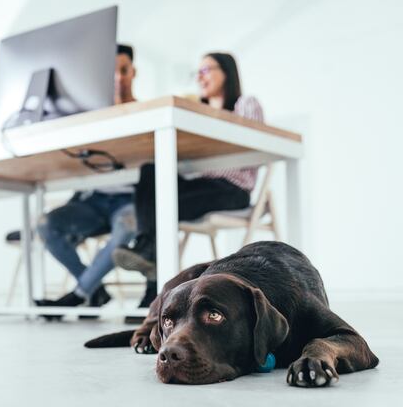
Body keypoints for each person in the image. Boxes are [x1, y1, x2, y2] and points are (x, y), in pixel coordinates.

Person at [113, 52, 264, 286]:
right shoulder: (196, 113)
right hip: (201, 184)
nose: (200, 78)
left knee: (160, 209)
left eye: (206, 70)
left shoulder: (245, 104)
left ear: (226, 72)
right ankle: (146, 249)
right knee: (150, 173)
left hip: (232, 189)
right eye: (198, 73)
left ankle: (149, 268)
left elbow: (251, 146)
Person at [35, 44, 156, 316]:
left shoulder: (148, 113)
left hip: (129, 199)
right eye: (111, 72)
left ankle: (78, 295)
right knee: (45, 225)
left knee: (126, 226)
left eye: (123, 70)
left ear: (133, 72)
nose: (117, 77)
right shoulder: (91, 117)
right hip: (93, 201)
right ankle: (94, 289)